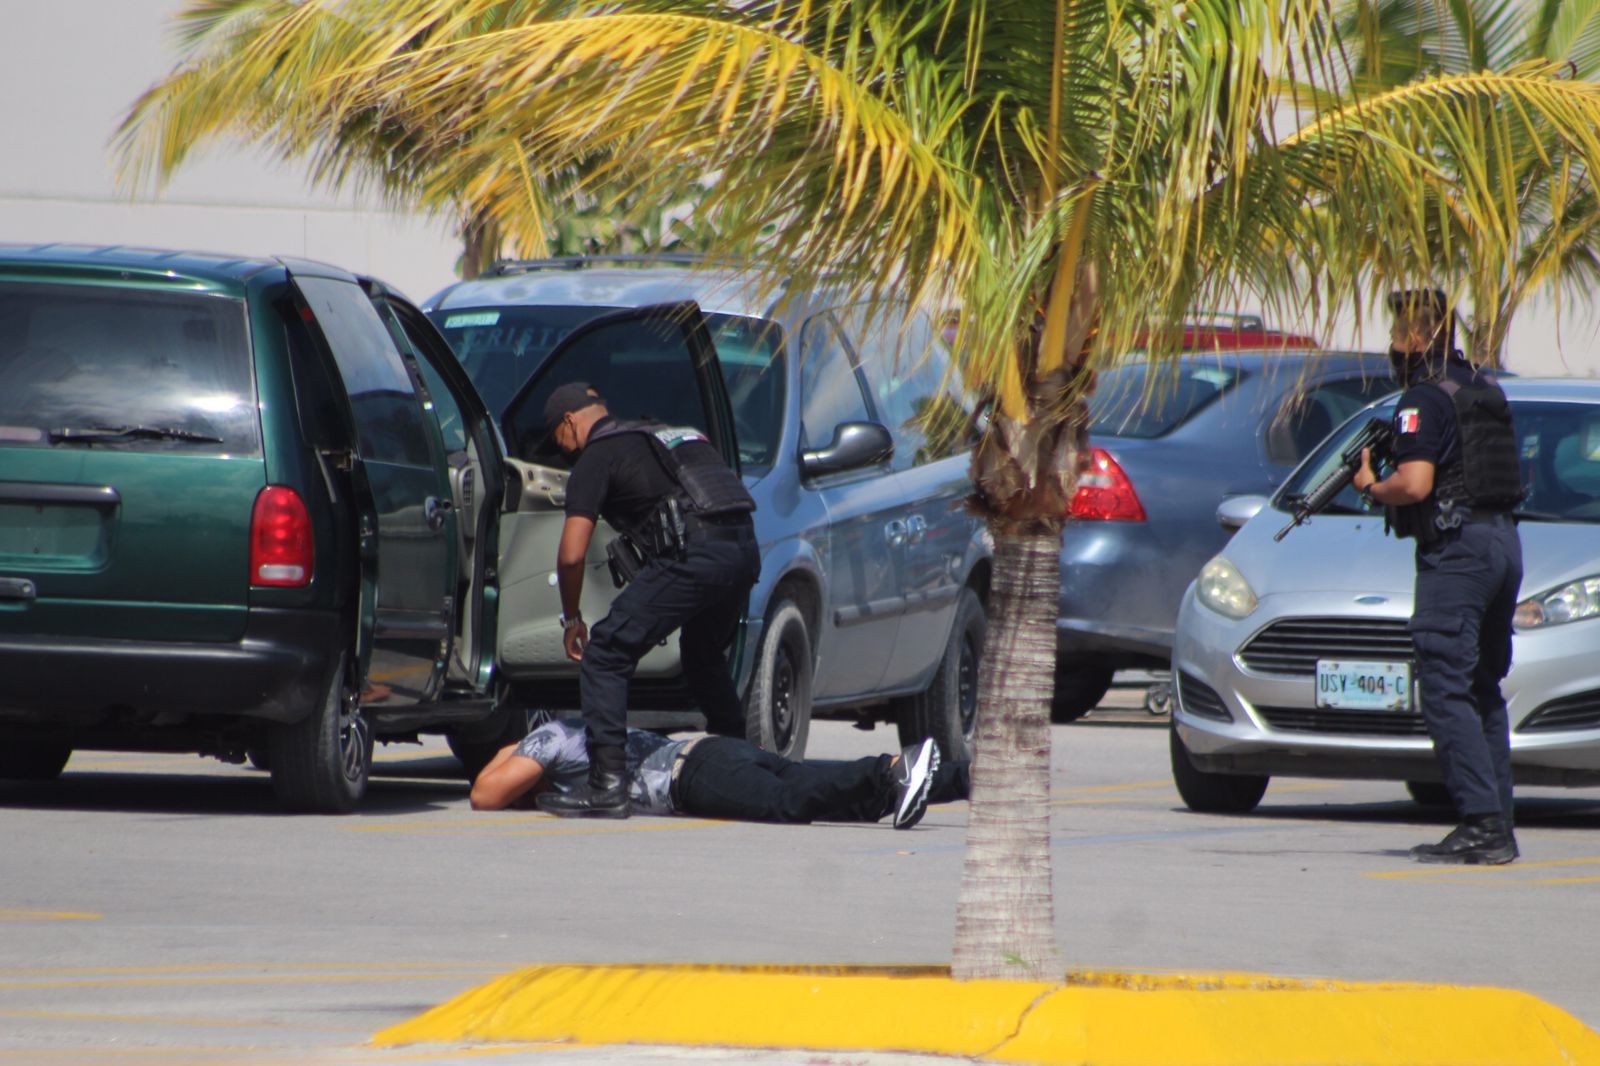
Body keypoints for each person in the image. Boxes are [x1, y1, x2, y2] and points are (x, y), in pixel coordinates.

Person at [1352, 290, 1525, 865]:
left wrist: (1373, 488)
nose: (1393, 348)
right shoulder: (1481, 386)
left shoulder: (1423, 399)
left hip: (1457, 552)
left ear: (1420, 339)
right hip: (1502, 541)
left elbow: (1416, 484)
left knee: (1446, 686)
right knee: (1481, 688)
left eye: (1399, 336)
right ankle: (1497, 819)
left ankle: (1481, 823)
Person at [539, 381, 761, 819]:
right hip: (743, 551)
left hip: (693, 555)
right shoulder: (672, 435)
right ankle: (743, 764)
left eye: (556, 441)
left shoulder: (596, 457)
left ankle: (607, 784)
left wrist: (571, 620)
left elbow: (570, 555)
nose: (560, 452)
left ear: (569, 422)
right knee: (702, 656)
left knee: (604, 653)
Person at [470, 718, 962, 830]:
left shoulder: (548, 736)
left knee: (786, 804)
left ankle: (890, 769)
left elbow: (485, 795)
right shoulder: (570, 746)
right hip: (711, 752)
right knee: (825, 793)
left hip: (693, 773)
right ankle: (962, 777)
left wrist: (509, 759)